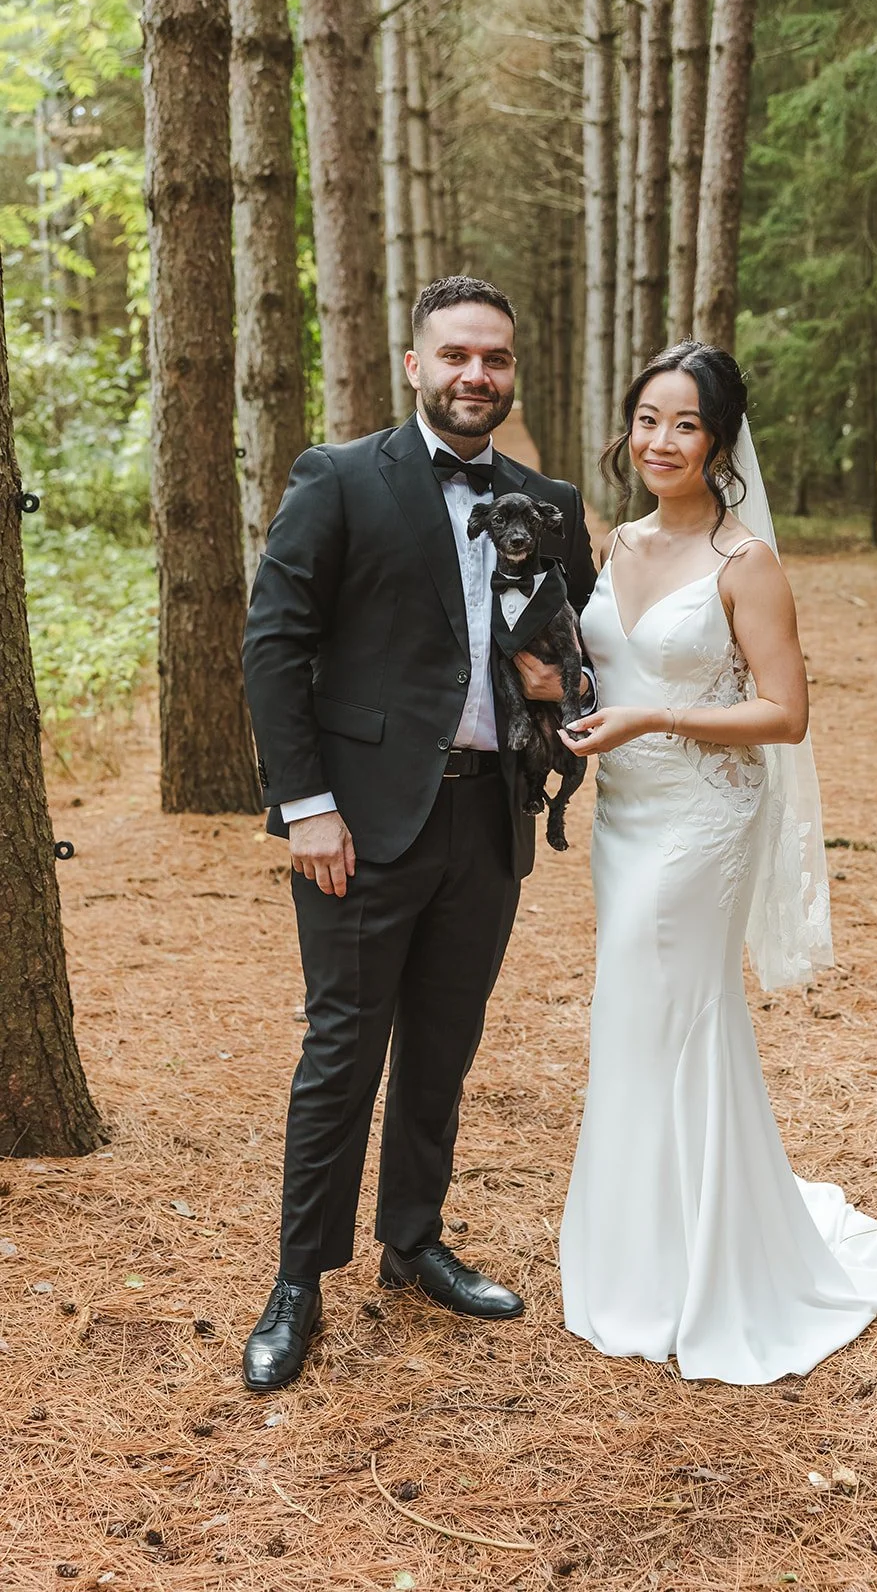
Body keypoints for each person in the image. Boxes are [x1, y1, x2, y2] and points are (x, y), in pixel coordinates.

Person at [241, 275, 597, 1392]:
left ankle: (413, 1240)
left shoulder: (551, 499)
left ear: (511, 372)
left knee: (442, 1047)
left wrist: (558, 686)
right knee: (341, 1054)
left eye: (491, 357)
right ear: (414, 365)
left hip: (487, 819)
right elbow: (273, 643)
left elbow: (573, 658)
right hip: (356, 825)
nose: (473, 375)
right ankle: (300, 1277)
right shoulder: (341, 478)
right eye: (453, 356)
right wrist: (306, 807)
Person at [558, 341, 877, 1384]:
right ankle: (638, 1251)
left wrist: (652, 716)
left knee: (665, 1012)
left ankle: (700, 1272)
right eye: (645, 419)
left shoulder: (743, 561)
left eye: (682, 423)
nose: (658, 441)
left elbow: (785, 711)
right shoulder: (613, 543)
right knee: (630, 1017)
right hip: (623, 817)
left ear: (718, 440)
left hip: (699, 819)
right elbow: (596, 666)